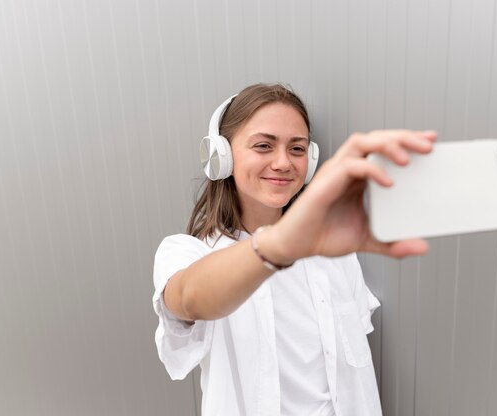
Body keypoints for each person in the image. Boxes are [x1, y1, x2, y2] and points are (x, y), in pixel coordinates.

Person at [152, 83, 436, 416]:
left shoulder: (335, 252)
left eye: (297, 149)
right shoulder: (185, 252)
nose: (283, 162)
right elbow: (189, 298)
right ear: (222, 156)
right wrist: (276, 244)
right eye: (263, 146)